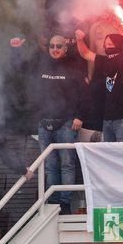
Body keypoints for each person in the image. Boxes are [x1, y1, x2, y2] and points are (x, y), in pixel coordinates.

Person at [24, 34, 85, 214]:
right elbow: (21, 69)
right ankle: (53, 202)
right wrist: (16, 50)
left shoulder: (74, 67)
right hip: (44, 123)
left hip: (66, 123)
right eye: (52, 46)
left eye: (59, 46)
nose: (55, 49)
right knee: (50, 165)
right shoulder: (41, 65)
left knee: (67, 163)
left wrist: (79, 116)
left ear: (66, 48)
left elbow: (84, 94)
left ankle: (65, 204)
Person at [74, 26, 123, 142]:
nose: (106, 46)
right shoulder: (104, 60)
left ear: (119, 44)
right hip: (107, 118)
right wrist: (79, 40)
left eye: (110, 44)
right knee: (110, 155)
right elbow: (85, 53)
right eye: (106, 44)